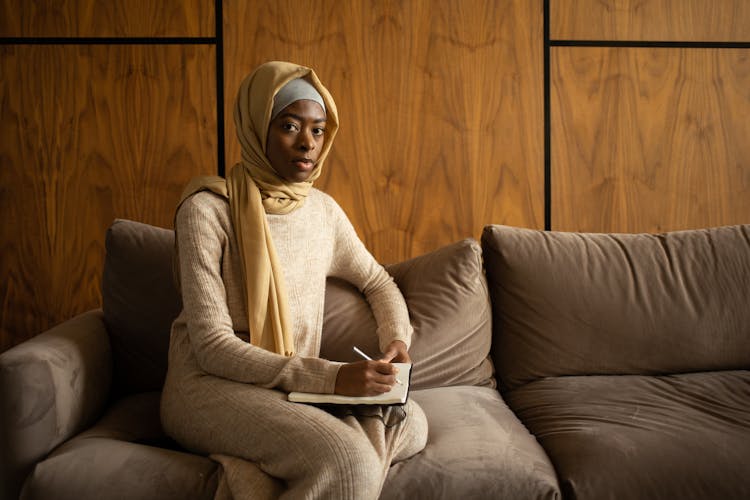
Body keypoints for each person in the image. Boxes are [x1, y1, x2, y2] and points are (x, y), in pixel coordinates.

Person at [160, 60, 428, 499]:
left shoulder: (322, 212)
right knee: (346, 459)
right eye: (289, 126)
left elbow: (378, 282)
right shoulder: (206, 211)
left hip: (289, 390)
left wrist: (397, 340)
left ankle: (283, 461)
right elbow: (210, 349)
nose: (307, 144)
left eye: (318, 130)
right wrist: (331, 379)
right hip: (208, 388)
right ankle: (334, 464)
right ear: (256, 128)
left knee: (409, 420)